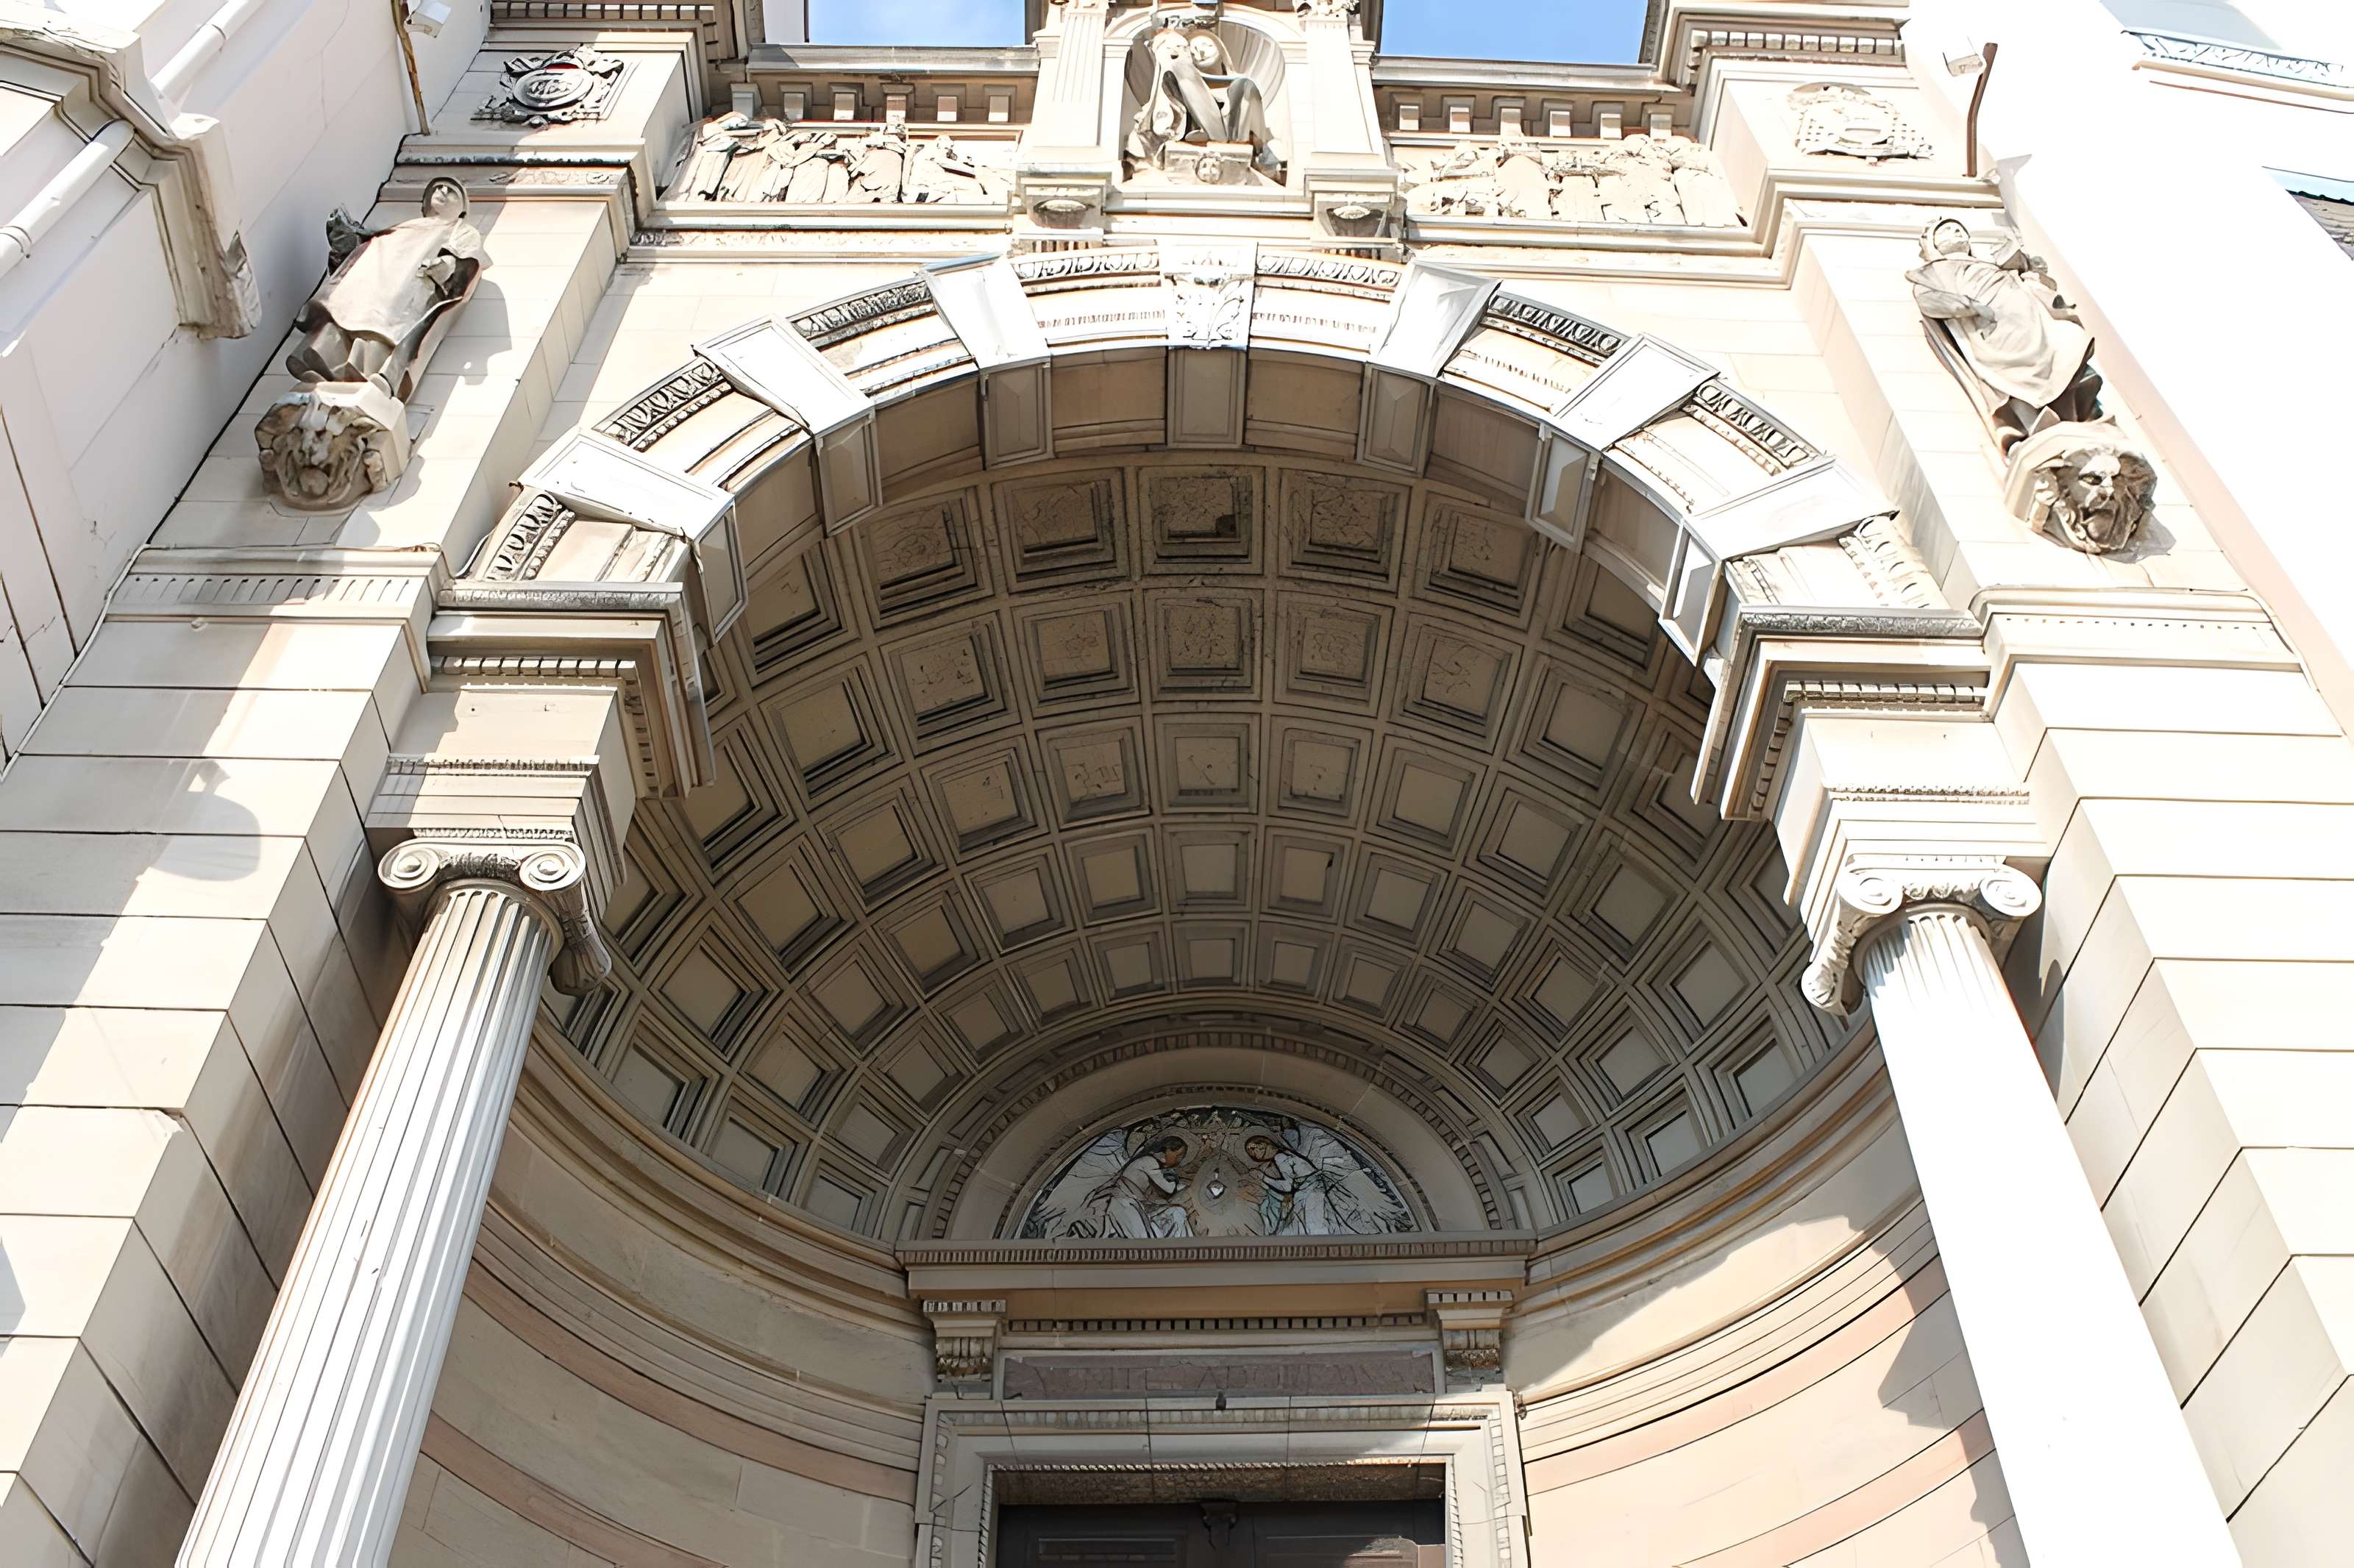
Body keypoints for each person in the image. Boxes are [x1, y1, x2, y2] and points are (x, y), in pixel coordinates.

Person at [1907, 218, 2101, 446]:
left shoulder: (1990, 265)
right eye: (1946, 230)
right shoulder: (1933, 272)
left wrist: (2030, 273)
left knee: (2070, 341)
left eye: (1959, 229)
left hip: (2031, 321)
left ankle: (2081, 415)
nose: (1956, 233)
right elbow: (1928, 299)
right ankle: (2035, 428)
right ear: (1932, 243)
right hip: (1994, 330)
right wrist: (1968, 306)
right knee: (2014, 375)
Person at [285, 179, 485, 401]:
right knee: (346, 312)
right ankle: (324, 366)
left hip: (407, 281)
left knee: (383, 324)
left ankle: (373, 374)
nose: (443, 191)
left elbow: (465, 256)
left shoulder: (461, 229)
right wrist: (346, 237)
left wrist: (445, 265)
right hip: (370, 278)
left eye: (452, 192)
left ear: (462, 210)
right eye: (438, 188)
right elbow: (362, 250)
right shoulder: (405, 226)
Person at [1092, 1135, 1192, 1238]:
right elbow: (1169, 1190)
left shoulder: (1151, 1163)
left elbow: (1156, 1197)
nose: (1178, 1160)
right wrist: (1173, 1178)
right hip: (1124, 1205)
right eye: (1177, 1156)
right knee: (1146, 1239)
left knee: (1177, 1213)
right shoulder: (1149, 1161)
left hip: (1133, 1206)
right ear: (1167, 1150)